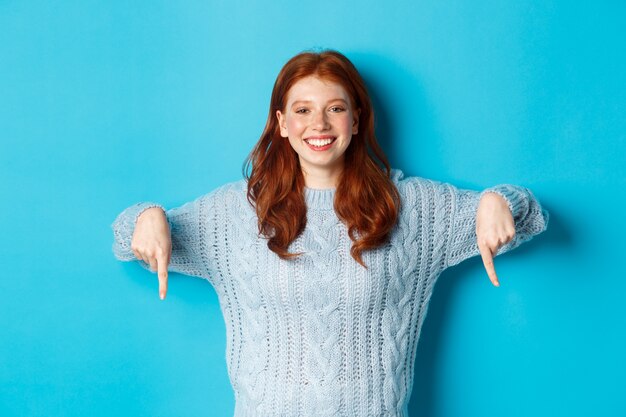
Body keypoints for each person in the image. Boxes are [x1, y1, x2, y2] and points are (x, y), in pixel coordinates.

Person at [111, 50, 549, 417]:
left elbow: (526, 214)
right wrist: (148, 216)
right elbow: (126, 237)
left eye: (335, 109)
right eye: (303, 110)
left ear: (356, 121)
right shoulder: (236, 211)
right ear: (281, 123)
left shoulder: (410, 206)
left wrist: (499, 200)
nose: (318, 124)